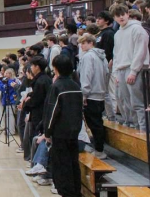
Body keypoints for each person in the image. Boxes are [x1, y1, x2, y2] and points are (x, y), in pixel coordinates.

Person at [43, 55, 83, 197]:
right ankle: (76, 192)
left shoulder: (57, 87)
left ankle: (66, 193)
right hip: (74, 132)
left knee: (61, 166)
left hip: (60, 133)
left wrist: (47, 132)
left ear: (56, 69)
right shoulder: (76, 86)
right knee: (73, 164)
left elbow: (52, 112)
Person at [113, 4, 149, 131]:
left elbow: (140, 51)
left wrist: (133, 71)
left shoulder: (137, 29)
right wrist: (116, 73)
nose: (121, 17)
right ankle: (135, 128)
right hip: (122, 69)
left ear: (128, 14)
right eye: (118, 15)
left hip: (135, 69)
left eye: (123, 14)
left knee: (137, 103)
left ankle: (144, 130)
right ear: (114, 18)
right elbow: (116, 54)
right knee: (126, 102)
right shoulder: (117, 34)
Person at [78, 33, 109, 159]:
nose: (81, 46)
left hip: (91, 95)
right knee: (97, 123)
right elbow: (107, 73)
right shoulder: (102, 56)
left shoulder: (88, 57)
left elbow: (86, 75)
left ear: (91, 43)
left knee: (94, 124)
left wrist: (84, 94)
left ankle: (99, 150)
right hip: (100, 93)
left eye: (84, 43)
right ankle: (99, 148)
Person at [96, 11, 117, 121]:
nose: (97, 20)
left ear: (107, 21)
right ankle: (109, 114)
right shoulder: (101, 33)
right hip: (101, 65)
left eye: (100, 18)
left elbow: (111, 49)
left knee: (106, 92)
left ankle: (112, 116)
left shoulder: (109, 33)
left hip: (107, 64)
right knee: (104, 92)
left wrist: (111, 60)